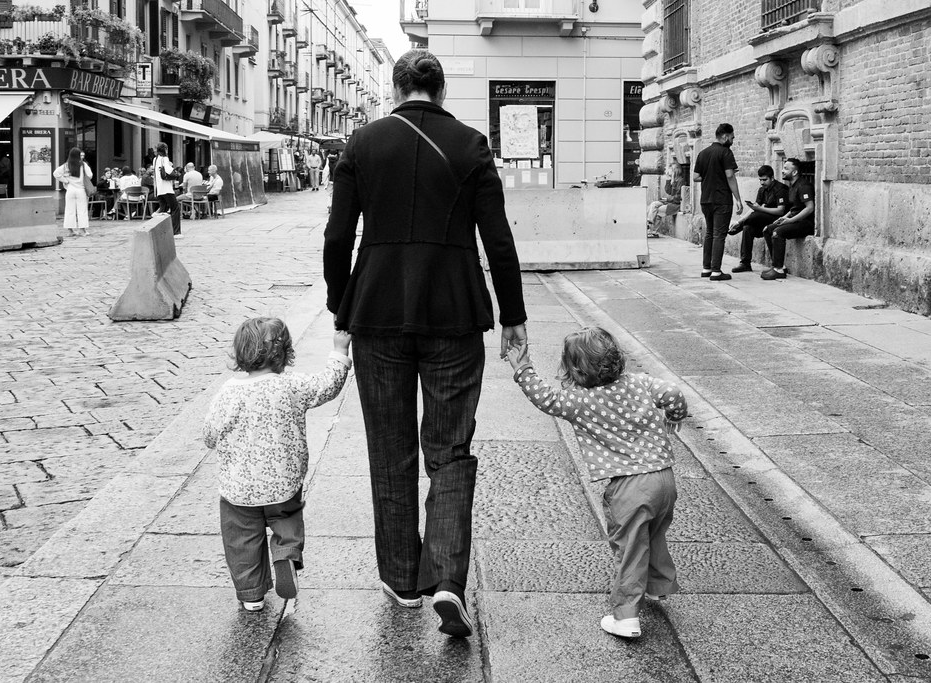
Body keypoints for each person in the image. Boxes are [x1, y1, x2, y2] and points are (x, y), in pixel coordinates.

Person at [324, 49, 527, 639]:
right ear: (440, 92)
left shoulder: (361, 144)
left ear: (396, 88)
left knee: (389, 448)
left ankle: (400, 577)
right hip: (455, 313)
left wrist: (342, 305)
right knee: (449, 447)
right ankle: (446, 580)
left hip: (378, 313)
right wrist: (512, 314)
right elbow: (499, 238)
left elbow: (339, 235)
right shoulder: (470, 145)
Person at [505, 326, 687, 640]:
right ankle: (658, 586)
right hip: (664, 480)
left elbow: (545, 399)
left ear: (574, 369)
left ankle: (626, 616)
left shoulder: (576, 399)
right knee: (653, 533)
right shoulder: (640, 384)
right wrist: (674, 414)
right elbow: (673, 393)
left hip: (629, 488)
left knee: (630, 548)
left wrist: (522, 369)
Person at [202, 317, 352, 611]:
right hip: (283, 483)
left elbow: (209, 435)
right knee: (287, 521)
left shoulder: (228, 392)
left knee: (241, 540)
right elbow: (328, 385)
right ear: (285, 354)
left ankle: (252, 595)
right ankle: (285, 555)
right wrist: (339, 351)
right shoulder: (291, 385)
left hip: (239, 489)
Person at [693, 123, 743, 281]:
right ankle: (716, 271)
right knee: (719, 235)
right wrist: (738, 199)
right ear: (725, 136)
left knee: (709, 233)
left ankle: (706, 268)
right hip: (721, 199)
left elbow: (696, 177)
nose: (733, 141)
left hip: (706, 200)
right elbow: (730, 175)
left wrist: (711, 176)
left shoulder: (702, 153)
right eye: (732, 137)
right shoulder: (726, 152)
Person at [727, 165, 789, 273]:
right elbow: (754, 209)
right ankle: (745, 263)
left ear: (772, 178)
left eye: (765, 180)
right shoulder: (762, 190)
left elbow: (781, 211)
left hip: (777, 220)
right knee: (747, 227)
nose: (762, 182)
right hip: (762, 219)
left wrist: (760, 208)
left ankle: (735, 229)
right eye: (760, 180)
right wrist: (739, 221)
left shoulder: (780, 189)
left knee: (756, 215)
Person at [761, 157, 815, 281]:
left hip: (806, 223)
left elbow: (809, 208)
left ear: (795, 172)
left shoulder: (804, 186)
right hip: (795, 220)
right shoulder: (792, 185)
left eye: (786, 168)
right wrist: (783, 218)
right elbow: (795, 207)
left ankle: (778, 270)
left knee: (778, 232)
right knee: (767, 229)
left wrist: (790, 220)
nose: (783, 171)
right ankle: (778, 265)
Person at [52, 147, 93, 237]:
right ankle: (82, 230)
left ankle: (70, 231)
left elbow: (56, 173)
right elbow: (90, 175)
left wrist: (65, 180)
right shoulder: (83, 164)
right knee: (82, 210)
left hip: (70, 190)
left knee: (69, 210)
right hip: (81, 190)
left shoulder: (66, 165)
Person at [646, 163, 686, 237]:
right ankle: (650, 222)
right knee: (654, 204)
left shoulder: (680, 181)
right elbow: (668, 191)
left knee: (658, 211)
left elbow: (678, 197)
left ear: (675, 171)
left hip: (675, 204)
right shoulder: (673, 180)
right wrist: (668, 180)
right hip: (669, 202)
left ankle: (652, 230)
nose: (667, 172)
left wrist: (668, 198)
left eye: (669, 170)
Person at [152, 142, 182, 238]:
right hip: (166, 188)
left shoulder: (155, 159)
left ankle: (160, 230)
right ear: (165, 149)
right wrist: (175, 171)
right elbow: (169, 170)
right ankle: (176, 232)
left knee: (163, 209)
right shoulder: (165, 158)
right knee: (175, 208)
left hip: (159, 189)